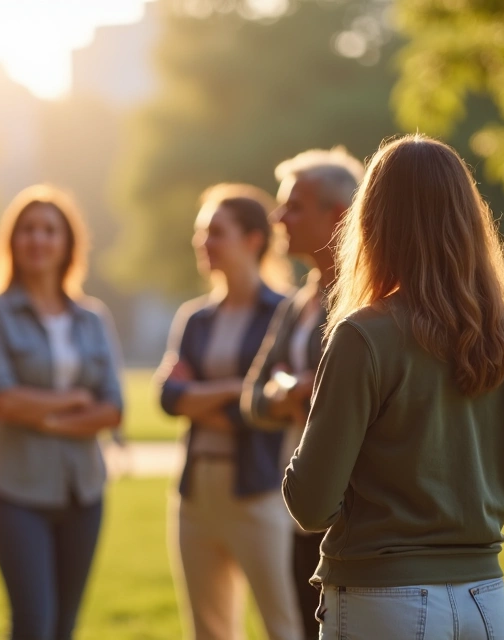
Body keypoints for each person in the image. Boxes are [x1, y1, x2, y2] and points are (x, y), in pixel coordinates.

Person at [283, 135, 504, 639]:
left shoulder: (364, 335)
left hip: (383, 600)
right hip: (485, 602)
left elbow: (311, 503)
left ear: (372, 222)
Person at [0, 185, 125, 640]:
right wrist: (73, 402)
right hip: (15, 489)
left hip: (84, 491)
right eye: (28, 230)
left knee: (64, 626)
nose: (38, 239)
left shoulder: (92, 317)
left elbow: (113, 408)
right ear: (12, 241)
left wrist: (42, 417)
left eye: (50, 230)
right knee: (33, 623)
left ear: (67, 243)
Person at [155, 184, 300, 640]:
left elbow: (277, 408)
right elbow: (168, 396)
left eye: (216, 232)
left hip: (259, 492)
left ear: (253, 240)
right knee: (209, 631)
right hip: (195, 496)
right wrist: (239, 391)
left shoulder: (286, 313)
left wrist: (203, 398)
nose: (204, 243)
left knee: (285, 626)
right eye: (202, 233)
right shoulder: (194, 318)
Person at [241, 147, 365, 639]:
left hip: (355, 511)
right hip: (298, 505)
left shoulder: (368, 301)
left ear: (337, 215)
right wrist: (288, 392)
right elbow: (254, 395)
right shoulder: (298, 303)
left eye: (293, 205)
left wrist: (314, 393)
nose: (277, 217)